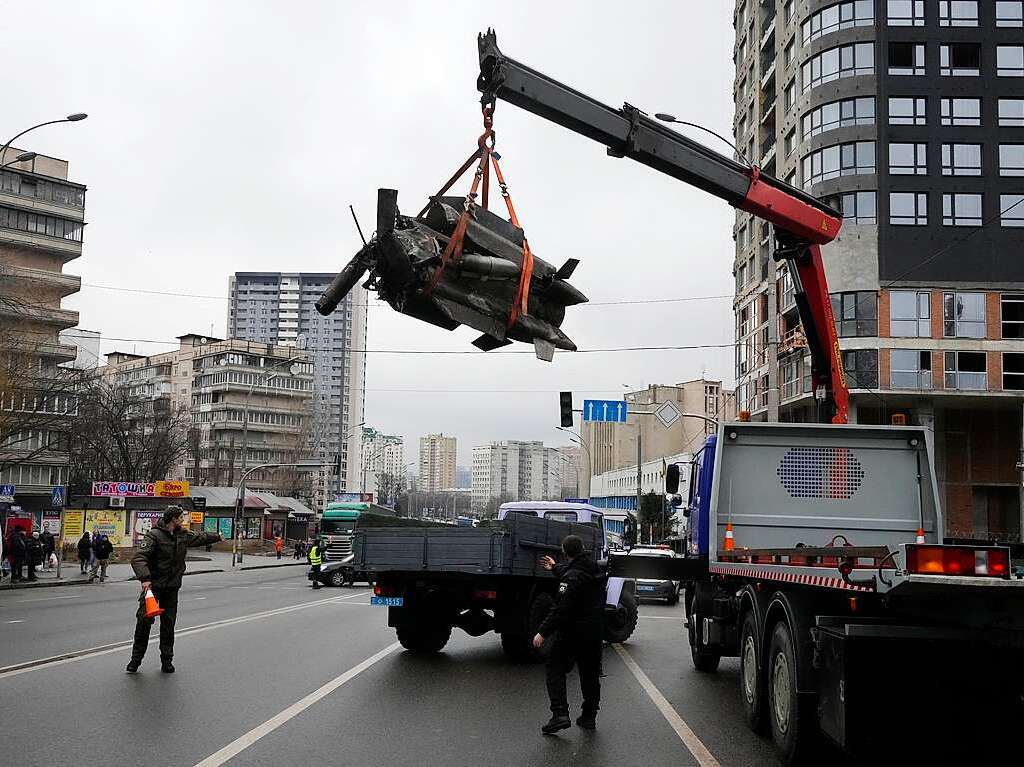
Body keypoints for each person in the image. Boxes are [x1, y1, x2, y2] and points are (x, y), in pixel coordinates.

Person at [127, 506, 222, 673]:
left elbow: (200, 537)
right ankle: (135, 660)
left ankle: (167, 660)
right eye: (181, 517)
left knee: (168, 624)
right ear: (173, 519)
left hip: (171, 588)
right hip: (153, 588)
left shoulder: (182, 534)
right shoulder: (153, 536)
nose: (183, 520)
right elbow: (139, 557)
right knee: (144, 622)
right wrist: (145, 578)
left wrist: (217, 536)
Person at [533, 534, 605, 735]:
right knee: (590, 674)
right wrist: (555, 567)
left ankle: (559, 714)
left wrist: (542, 633)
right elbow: (574, 574)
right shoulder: (594, 569)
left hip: (572, 633)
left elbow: (560, 609)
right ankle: (589, 717)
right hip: (594, 633)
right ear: (582, 550)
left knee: (554, 668)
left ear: (565, 552)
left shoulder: (571, 578)